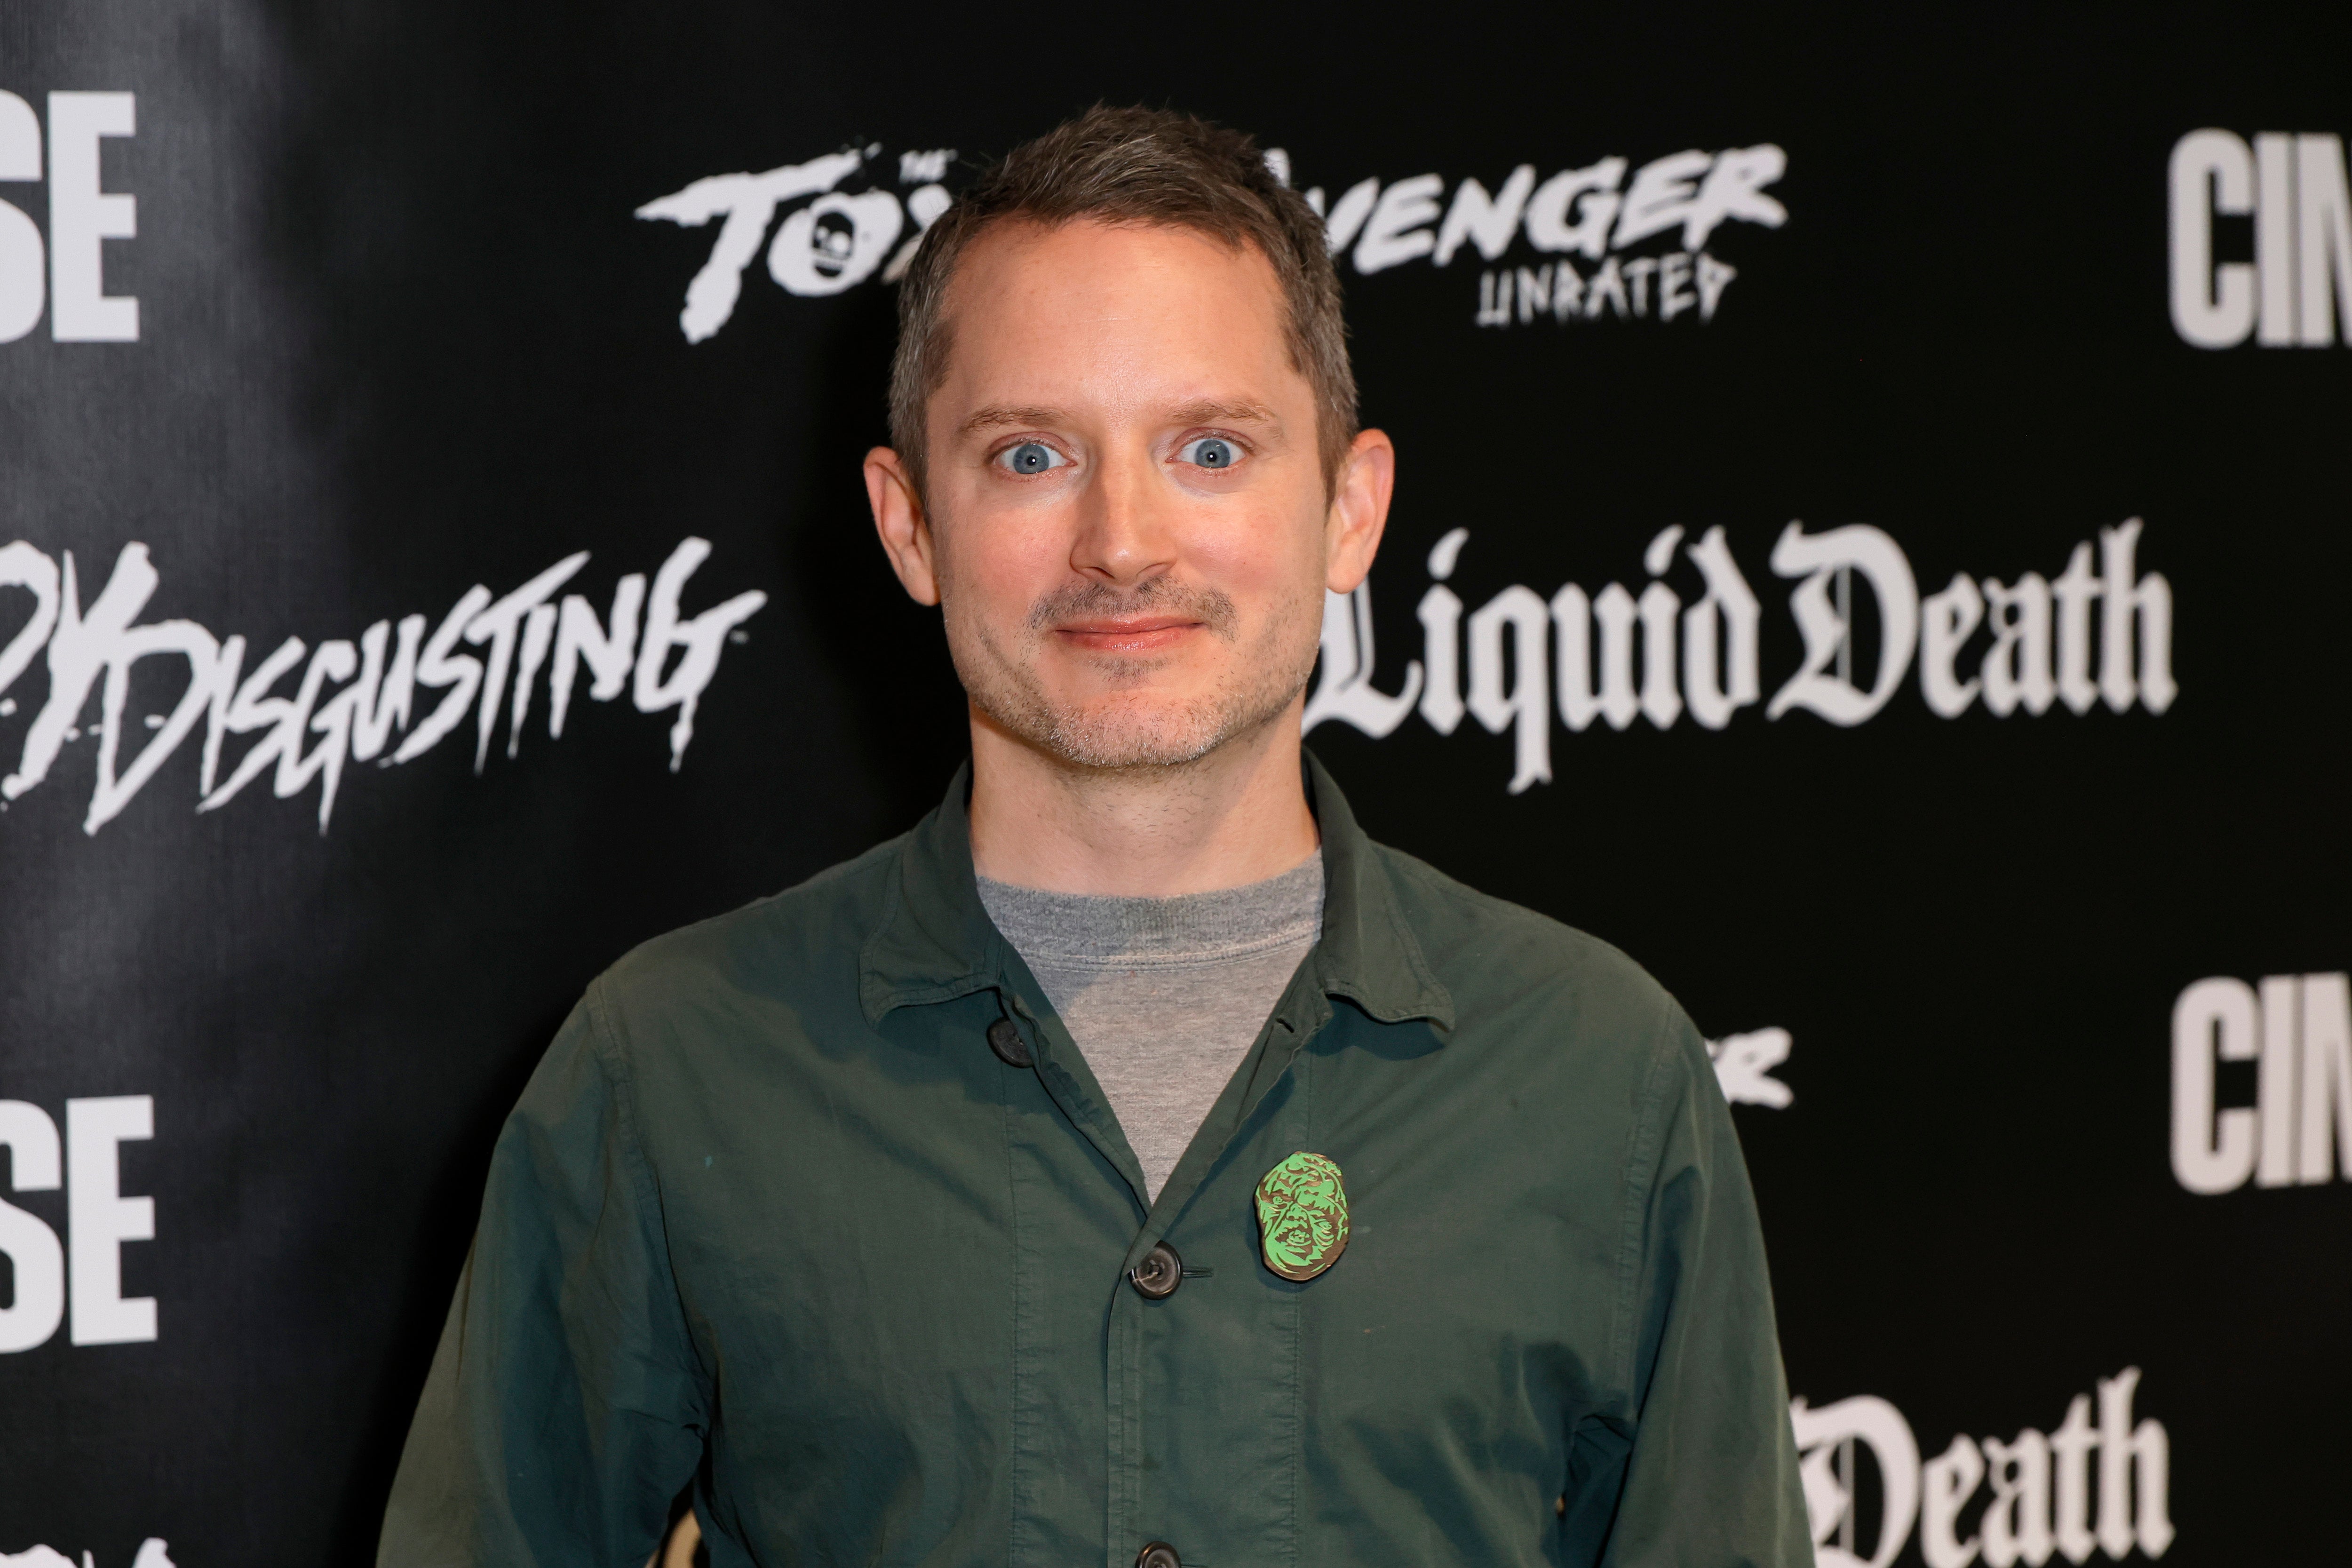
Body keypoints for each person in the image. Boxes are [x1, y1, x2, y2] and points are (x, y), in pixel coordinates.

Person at [378, 105, 1811, 1568]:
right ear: (909, 525)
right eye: (1029, 457)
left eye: (1210, 448)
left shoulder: (1603, 1075)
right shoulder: (671, 1065)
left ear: (1350, 508)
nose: (1122, 541)